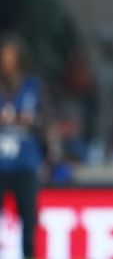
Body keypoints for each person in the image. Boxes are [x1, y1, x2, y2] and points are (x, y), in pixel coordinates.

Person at [0, 36, 44, 259]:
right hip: (0, 164)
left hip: (25, 165)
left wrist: (32, 121)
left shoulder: (33, 87)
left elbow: (46, 120)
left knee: (28, 221)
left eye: (10, 58)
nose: (6, 63)